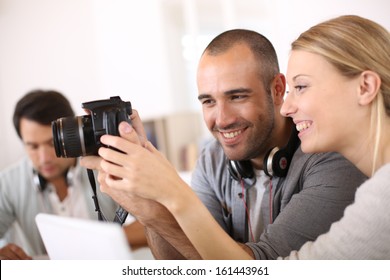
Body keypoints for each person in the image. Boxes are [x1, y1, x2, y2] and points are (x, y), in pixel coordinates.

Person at [80, 29, 367, 259]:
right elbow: (180, 265)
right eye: (208, 101)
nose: (222, 119)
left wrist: (169, 196)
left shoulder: (330, 159)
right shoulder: (212, 156)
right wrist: (148, 208)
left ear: (278, 90)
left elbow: (256, 269)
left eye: (237, 97)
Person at [0, 90, 147, 260]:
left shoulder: (107, 164)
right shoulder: (8, 183)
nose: (44, 158)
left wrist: (96, 244)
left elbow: (157, 222)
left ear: (72, 135)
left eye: (52, 143)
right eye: (33, 146)